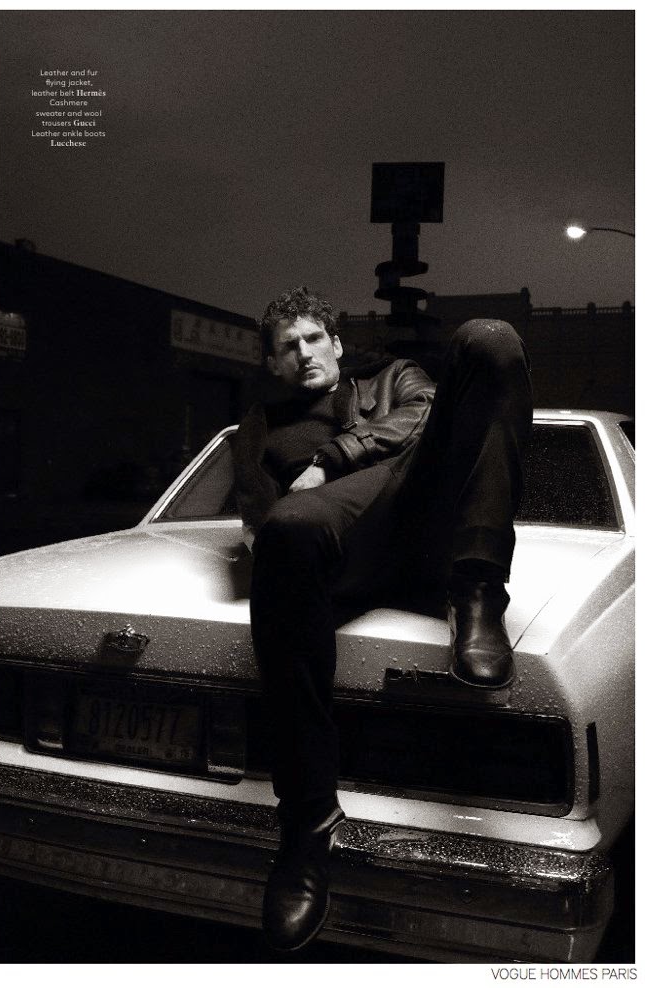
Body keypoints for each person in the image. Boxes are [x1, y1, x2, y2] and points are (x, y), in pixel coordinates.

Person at [230, 285, 533, 952]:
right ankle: (307, 822)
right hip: (338, 548)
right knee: (289, 526)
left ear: (337, 344)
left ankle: (479, 587)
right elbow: (257, 512)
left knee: (490, 339)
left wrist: (333, 458)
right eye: (287, 346)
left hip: (424, 514)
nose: (304, 352)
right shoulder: (260, 425)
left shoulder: (396, 378)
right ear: (272, 363)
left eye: (314, 337)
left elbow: (426, 416)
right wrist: (271, 529)